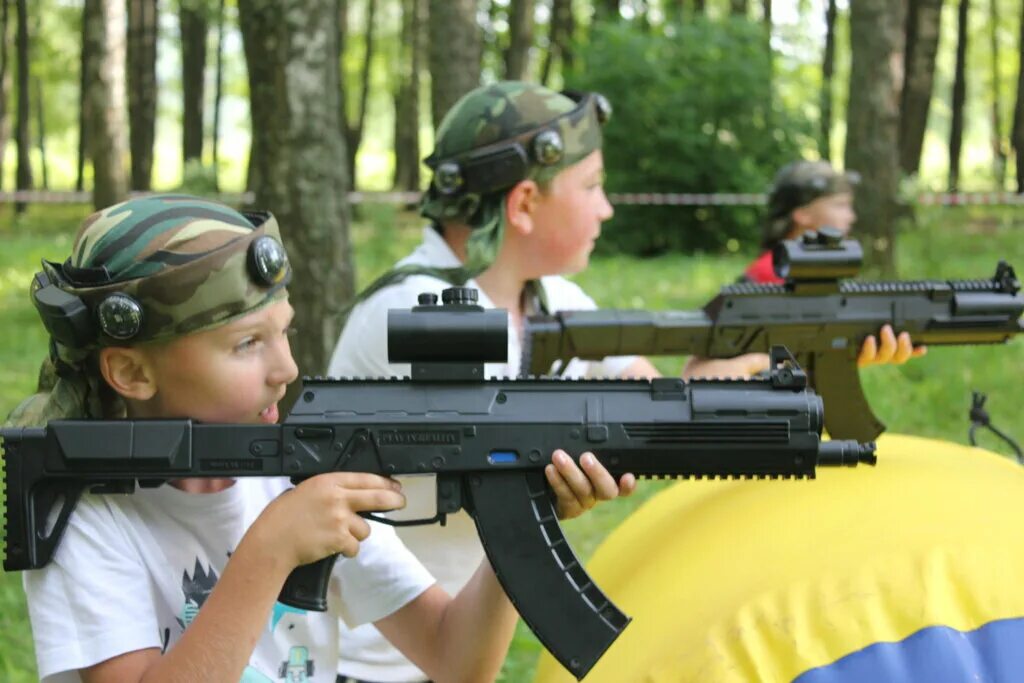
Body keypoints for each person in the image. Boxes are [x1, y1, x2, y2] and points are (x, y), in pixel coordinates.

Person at [8, 194, 625, 683]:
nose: (286, 370)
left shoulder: (296, 474)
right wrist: (270, 548)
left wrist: (519, 522)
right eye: (247, 344)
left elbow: (454, 659)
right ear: (133, 373)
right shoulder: (89, 517)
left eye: (285, 333)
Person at [744, 158, 924, 367]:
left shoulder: (805, 270)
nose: (851, 217)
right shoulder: (772, 274)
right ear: (802, 214)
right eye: (840, 206)